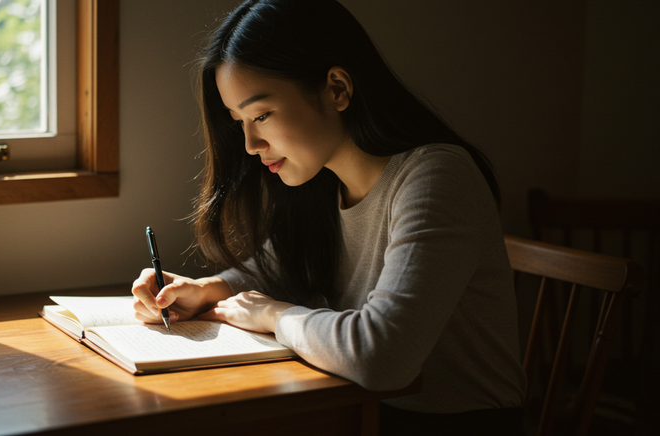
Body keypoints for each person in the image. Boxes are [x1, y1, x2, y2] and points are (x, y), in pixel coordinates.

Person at [131, 0, 527, 433]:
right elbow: (279, 265)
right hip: (362, 411)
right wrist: (207, 290)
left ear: (337, 88)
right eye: (239, 120)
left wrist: (273, 315)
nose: (249, 143)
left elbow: (382, 358)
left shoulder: (436, 177)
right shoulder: (322, 178)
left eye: (261, 115)